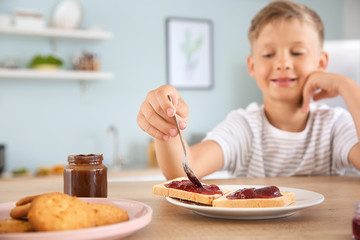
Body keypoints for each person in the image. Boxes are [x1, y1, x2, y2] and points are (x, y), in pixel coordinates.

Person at [137, 0, 360, 179]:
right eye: (268, 54)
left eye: (297, 52)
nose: (282, 63)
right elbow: (183, 172)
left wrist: (348, 87)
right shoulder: (244, 127)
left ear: (321, 63)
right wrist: (167, 120)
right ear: (252, 65)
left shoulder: (334, 126)